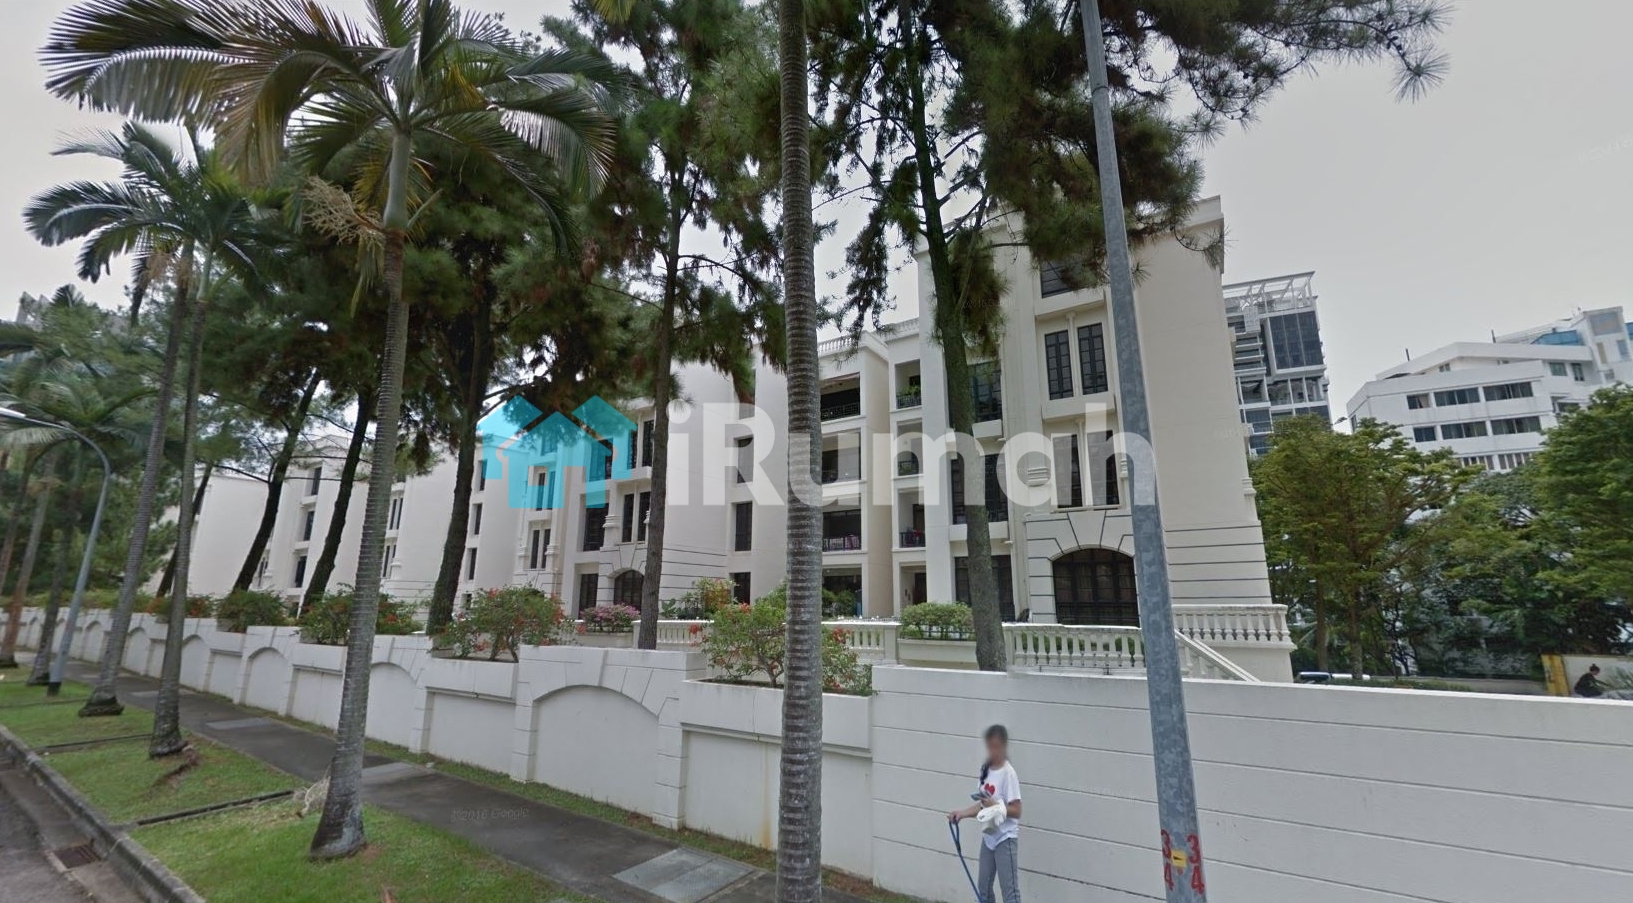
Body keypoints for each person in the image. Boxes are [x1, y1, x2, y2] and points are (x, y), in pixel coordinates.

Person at [948, 724, 1021, 903]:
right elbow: (982, 805)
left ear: (1004, 746)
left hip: (1005, 838)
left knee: (1010, 893)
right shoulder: (985, 770)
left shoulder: (1008, 773)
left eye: (997, 746)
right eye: (990, 746)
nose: (993, 751)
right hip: (989, 838)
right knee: (984, 890)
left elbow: (1017, 811)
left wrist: (996, 806)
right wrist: (962, 814)